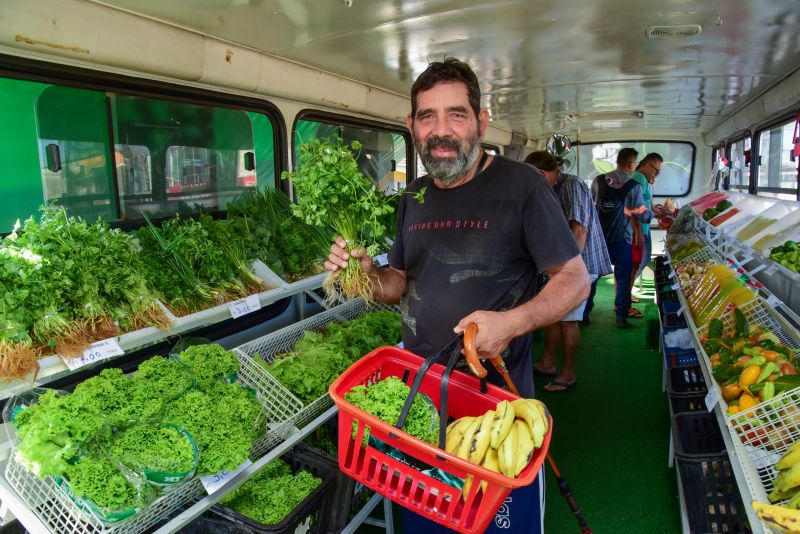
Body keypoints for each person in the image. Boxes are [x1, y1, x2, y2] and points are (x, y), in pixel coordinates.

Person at [325, 57, 589, 533]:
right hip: (420, 402)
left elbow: (574, 278)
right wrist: (366, 275)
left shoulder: (522, 185)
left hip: (497, 405)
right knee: (429, 522)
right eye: (427, 116)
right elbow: (398, 283)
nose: (441, 131)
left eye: (457, 114)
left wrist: (512, 323)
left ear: (481, 121)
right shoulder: (415, 196)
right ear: (411, 126)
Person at [524, 151, 612, 392]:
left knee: (567, 320)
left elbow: (579, 231)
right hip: (561, 263)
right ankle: (548, 362)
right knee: (553, 314)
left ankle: (567, 373)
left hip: (581, 263)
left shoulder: (571, 185)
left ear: (542, 173)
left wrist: (567, 272)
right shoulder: (549, 188)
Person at [591, 147, 650, 328]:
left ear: (617, 161)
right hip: (622, 240)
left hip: (599, 239)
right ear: (632, 164)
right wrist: (652, 215)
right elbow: (640, 214)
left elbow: (591, 208)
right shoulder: (634, 186)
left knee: (592, 277)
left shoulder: (598, 181)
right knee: (623, 278)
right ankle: (621, 317)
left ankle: (583, 314)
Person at [629, 153, 663, 298]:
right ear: (648, 166)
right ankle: (623, 298)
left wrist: (653, 210)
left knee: (642, 261)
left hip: (643, 228)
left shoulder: (642, 180)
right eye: (657, 171)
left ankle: (625, 295)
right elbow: (632, 207)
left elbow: (643, 203)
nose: (657, 175)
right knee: (635, 264)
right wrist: (637, 233)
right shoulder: (638, 178)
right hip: (637, 229)